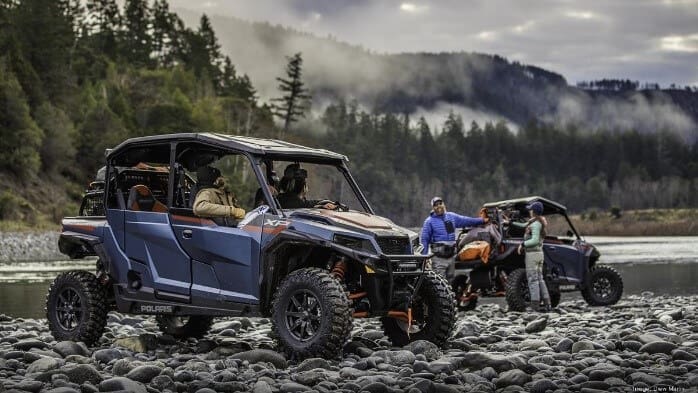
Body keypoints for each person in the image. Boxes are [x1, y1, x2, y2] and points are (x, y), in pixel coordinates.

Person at [420, 196, 486, 281]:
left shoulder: (451, 217)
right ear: (433, 208)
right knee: (440, 281)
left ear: (444, 204)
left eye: (440, 203)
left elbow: (467, 220)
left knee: (451, 280)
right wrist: (424, 259)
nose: (439, 206)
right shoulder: (429, 221)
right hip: (438, 258)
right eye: (436, 205)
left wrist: (482, 220)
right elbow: (424, 241)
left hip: (451, 257)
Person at [509, 201, 551, 312]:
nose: (529, 211)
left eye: (531, 209)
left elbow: (535, 240)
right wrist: (509, 222)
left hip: (533, 255)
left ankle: (535, 307)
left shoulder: (535, 225)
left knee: (533, 280)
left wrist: (523, 244)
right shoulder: (536, 222)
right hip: (539, 255)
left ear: (534, 211)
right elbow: (524, 225)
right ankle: (547, 304)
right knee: (540, 279)